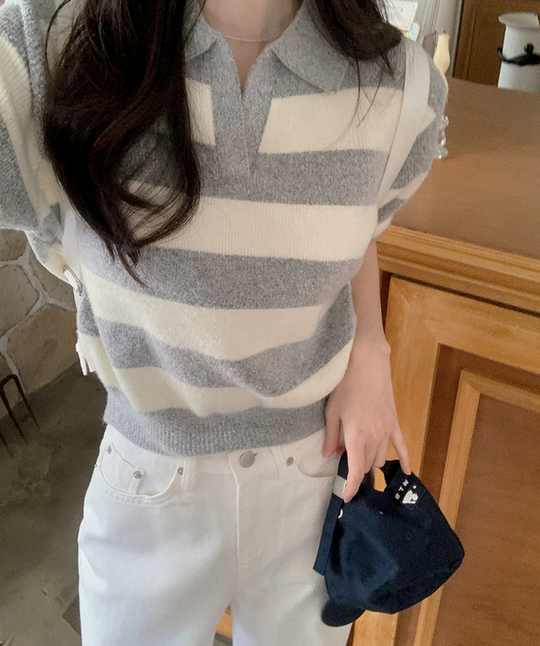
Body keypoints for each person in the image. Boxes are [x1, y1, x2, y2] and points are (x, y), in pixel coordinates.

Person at [0, 0, 447, 643]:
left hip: (314, 476)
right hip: (149, 477)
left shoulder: (401, 88)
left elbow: (355, 225)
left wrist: (370, 348)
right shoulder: (55, 43)